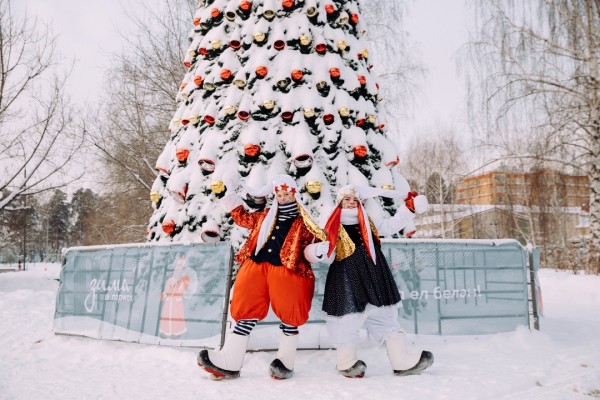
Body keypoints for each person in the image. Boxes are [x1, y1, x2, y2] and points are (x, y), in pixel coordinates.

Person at [197, 174, 328, 380]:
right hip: (256, 266)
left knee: (289, 311)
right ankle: (229, 361)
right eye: (279, 194)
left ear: (294, 195)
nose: (283, 198)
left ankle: (285, 362)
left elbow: (308, 248)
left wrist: (318, 251)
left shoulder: (304, 223)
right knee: (246, 306)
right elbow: (242, 218)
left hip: (286, 270)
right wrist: (230, 194)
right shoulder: (265, 215)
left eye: (287, 194)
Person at [321, 184, 434, 378]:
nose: (351, 203)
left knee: (385, 315)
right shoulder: (330, 225)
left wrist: (409, 209)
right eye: (347, 199)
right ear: (339, 201)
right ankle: (347, 362)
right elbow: (323, 251)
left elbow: (390, 225)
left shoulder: (369, 221)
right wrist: (317, 251)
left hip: (374, 272)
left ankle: (401, 361)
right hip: (346, 275)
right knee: (349, 316)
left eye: (355, 200)